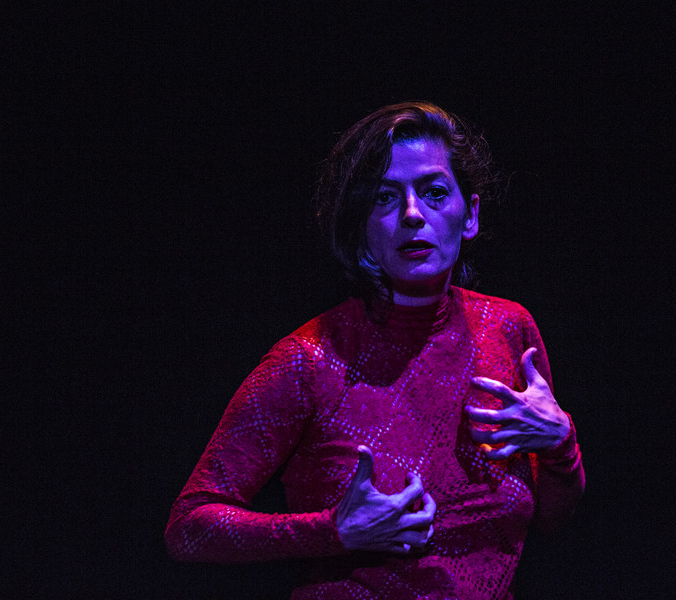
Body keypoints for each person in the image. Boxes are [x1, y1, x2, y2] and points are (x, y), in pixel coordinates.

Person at [165, 101, 585, 599]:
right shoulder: (309, 360)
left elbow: (549, 518)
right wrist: (333, 531)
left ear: (470, 214)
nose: (412, 214)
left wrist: (562, 446)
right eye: (385, 197)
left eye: (433, 192)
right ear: (361, 224)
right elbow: (189, 528)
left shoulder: (509, 329)